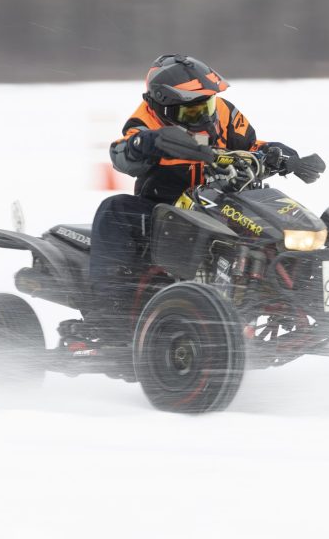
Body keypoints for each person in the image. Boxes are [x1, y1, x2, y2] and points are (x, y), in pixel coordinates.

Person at [83, 54, 302, 342]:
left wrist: (278, 153)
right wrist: (148, 143)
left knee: (280, 224)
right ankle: (107, 314)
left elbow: (251, 145)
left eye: (206, 106)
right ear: (163, 107)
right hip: (166, 208)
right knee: (113, 209)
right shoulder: (145, 120)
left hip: (224, 205)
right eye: (190, 112)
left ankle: (303, 294)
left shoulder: (223, 112)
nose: (202, 116)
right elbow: (122, 153)